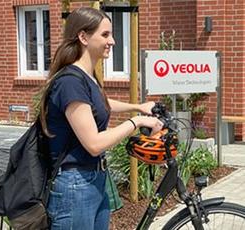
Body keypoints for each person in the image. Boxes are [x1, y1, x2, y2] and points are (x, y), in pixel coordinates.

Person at [39, 7, 164, 230]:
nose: (113, 41)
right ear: (83, 37)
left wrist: (138, 107)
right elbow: (94, 144)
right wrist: (136, 122)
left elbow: (99, 105)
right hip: (74, 184)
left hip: (94, 179)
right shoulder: (70, 82)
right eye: (105, 35)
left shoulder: (87, 76)